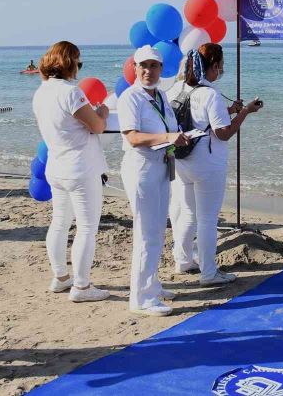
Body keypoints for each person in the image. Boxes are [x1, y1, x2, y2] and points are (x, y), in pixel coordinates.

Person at [169, 43, 261, 285]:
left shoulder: (175, 89)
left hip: (182, 160)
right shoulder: (210, 94)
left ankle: (183, 260)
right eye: (220, 66)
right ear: (213, 66)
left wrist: (229, 109)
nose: (221, 70)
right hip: (207, 163)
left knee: (188, 213)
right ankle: (209, 272)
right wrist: (245, 113)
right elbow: (223, 133)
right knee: (208, 219)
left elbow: (197, 119)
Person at [31, 41, 110, 302]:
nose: (78, 67)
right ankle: (83, 287)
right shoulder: (70, 92)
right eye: (78, 61)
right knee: (87, 228)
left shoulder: (41, 93)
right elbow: (97, 126)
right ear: (68, 62)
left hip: (57, 165)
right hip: (81, 168)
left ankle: (61, 277)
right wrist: (103, 111)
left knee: (60, 222)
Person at [117, 45, 189, 317]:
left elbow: (169, 129)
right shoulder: (130, 98)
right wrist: (168, 139)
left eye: (154, 66)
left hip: (161, 165)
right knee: (146, 233)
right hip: (141, 168)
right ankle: (141, 298)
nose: (148, 71)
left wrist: (181, 136)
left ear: (161, 69)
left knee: (158, 230)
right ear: (135, 68)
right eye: (143, 66)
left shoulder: (160, 95)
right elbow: (133, 137)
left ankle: (152, 285)